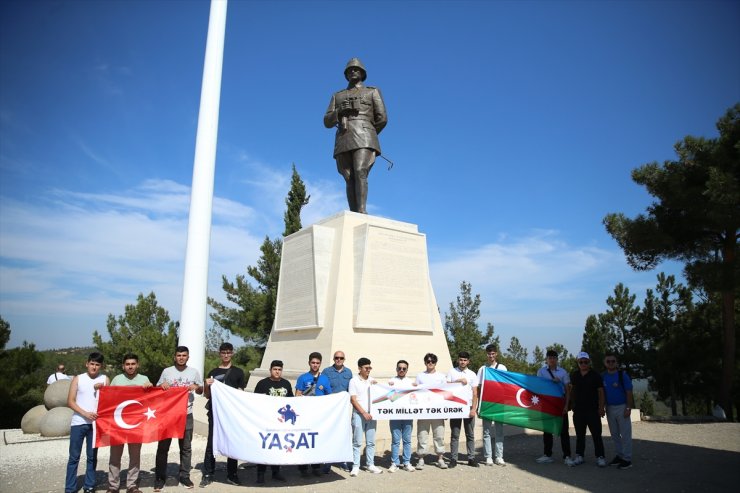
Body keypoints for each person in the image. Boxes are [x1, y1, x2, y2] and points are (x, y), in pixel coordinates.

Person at [323, 58, 388, 214]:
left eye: (356, 69)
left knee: (360, 171)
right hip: (344, 137)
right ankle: (354, 213)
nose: (352, 71)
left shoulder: (372, 91)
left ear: (362, 73)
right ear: (346, 74)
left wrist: (369, 133)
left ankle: (361, 211)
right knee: (348, 176)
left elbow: (382, 118)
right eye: (349, 70)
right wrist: (339, 112)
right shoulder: (337, 96)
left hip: (365, 136)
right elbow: (326, 121)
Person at [154, 346, 203, 491]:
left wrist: (197, 387)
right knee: (163, 448)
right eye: (179, 355)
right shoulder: (167, 371)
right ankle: (160, 477)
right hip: (168, 415)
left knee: (186, 447)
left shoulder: (194, 372)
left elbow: (200, 389)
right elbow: (157, 389)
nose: (181, 357)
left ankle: (184, 476)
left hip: (186, 414)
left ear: (188, 357)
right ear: (175, 357)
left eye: (184, 355)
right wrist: (161, 385)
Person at [200, 342, 246, 487]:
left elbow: (240, 393)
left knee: (232, 442)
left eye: (228, 352)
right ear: (219, 354)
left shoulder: (238, 372)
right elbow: (207, 395)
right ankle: (208, 473)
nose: (226, 355)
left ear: (232, 353)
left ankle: (232, 474)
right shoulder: (213, 372)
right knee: (211, 442)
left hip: (231, 413)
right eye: (223, 352)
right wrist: (206, 385)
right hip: (215, 411)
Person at [107, 353, 152, 493]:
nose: (130, 366)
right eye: (127, 364)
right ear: (123, 366)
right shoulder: (116, 379)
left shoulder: (144, 379)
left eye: (133, 364)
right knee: (115, 456)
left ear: (137, 365)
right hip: (117, 424)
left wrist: (150, 387)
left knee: (135, 455)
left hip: (136, 424)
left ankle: (132, 485)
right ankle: (113, 486)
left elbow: (152, 400)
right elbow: (107, 399)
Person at [65, 352, 109, 493]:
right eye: (92, 364)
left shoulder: (105, 379)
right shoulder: (78, 378)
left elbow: (109, 402)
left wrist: (102, 390)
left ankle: (89, 486)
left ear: (101, 366)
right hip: (78, 422)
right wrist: (85, 414)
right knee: (74, 457)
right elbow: (70, 401)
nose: (94, 367)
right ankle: (70, 488)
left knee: (92, 457)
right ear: (87, 363)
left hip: (96, 425)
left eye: (97, 365)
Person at [253, 360, 293, 484]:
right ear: (270, 370)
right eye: (275, 369)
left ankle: (276, 472)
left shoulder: (286, 384)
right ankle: (261, 473)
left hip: (281, 423)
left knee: (277, 447)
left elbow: (291, 401)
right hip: (266, 421)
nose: (277, 371)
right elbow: (255, 401)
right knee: (264, 447)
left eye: (279, 369)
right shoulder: (262, 383)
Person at [295, 352, 333, 477]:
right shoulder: (303, 377)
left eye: (317, 363)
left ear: (320, 364)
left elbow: (329, 396)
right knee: (304, 440)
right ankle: (303, 468)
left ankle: (316, 467)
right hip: (305, 414)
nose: (315, 365)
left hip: (319, 416)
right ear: (309, 363)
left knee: (316, 440)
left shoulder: (324, 379)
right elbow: (297, 394)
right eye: (313, 362)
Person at [568, 351, 606, 468]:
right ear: (578, 363)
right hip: (578, 410)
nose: (583, 364)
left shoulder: (596, 375)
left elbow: (601, 392)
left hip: (592, 410)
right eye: (581, 362)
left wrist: (601, 407)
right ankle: (579, 456)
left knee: (596, 434)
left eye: (585, 361)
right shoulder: (574, 375)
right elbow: (570, 390)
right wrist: (570, 405)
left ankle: (600, 456)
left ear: (589, 362)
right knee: (580, 435)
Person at [535, 349, 573, 465]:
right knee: (547, 430)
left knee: (563, 431)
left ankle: (567, 456)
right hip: (546, 404)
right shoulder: (541, 372)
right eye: (549, 358)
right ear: (546, 360)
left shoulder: (563, 372)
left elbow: (567, 390)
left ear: (557, 359)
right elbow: (538, 387)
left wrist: (566, 405)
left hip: (560, 403)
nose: (551, 360)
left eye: (554, 358)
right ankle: (547, 454)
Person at [348, 357, 382, 476]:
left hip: (372, 415)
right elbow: (353, 399)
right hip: (359, 414)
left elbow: (381, 393)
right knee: (357, 441)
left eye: (370, 368)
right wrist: (363, 413)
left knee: (371, 442)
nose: (368, 370)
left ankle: (370, 464)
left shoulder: (372, 380)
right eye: (366, 368)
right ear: (359, 368)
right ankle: (355, 466)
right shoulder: (353, 381)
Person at [321, 350, 353, 472]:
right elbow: (322, 388)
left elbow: (351, 389)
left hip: (344, 410)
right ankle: (327, 462)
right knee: (329, 434)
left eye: (341, 358)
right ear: (334, 359)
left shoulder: (348, 372)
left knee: (343, 434)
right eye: (336, 357)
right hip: (330, 409)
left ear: (344, 359)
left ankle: (342, 460)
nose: (339, 359)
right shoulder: (326, 372)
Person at [415, 353, 448, 470]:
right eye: (428, 361)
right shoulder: (420, 376)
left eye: (432, 361)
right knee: (422, 435)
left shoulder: (442, 376)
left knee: (439, 435)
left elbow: (446, 392)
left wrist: (446, 411)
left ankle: (440, 458)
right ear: (425, 363)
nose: (430, 363)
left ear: (435, 363)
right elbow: (415, 392)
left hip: (438, 411)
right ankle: (421, 458)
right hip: (423, 410)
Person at [447, 351, 479, 468]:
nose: (463, 362)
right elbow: (446, 388)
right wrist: (458, 380)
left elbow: (475, 393)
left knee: (470, 434)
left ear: (468, 361)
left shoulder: (472, 374)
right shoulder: (451, 372)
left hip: (469, 407)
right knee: (455, 434)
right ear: (458, 360)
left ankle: (471, 458)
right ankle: (453, 459)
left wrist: (473, 409)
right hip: (455, 407)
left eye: (465, 360)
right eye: (461, 360)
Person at [602, 352, 634, 470]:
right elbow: (602, 393)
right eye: (608, 361)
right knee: (614, 434)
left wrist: (628, 407)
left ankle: (627, 459)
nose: (610, 363)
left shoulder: (622, 375)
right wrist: (602, 407)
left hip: (622, 407)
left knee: (625, 434)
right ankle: (620, 455)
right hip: (609, 408)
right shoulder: (603, 376)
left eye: (613, 361)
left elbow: (629, 392)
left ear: (616, 363)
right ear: (605, 363)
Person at [477, 344, 507, 466]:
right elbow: (478, 387)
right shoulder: (482, 369)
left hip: (499, 403)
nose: (491, 355)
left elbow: (507, 385)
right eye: (489, 353)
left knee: (499, 431)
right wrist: (479, 403)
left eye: (493, 353)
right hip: (486, 403)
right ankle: (488, 456)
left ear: (496, 354)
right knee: (487, 431)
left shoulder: (502, 368)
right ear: (487, 354)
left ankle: (499, 456)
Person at [387, 360, 415, 472]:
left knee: (407, 440)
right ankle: (394, 463)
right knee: (395, 440)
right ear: (396, 369)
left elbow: (415, 396)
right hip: (395, 415)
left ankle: (407, 462)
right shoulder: (391, 381)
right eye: (399, 368)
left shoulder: (411, 382)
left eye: (404, 368)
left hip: (408, 414)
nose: (401, 370)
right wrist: (389, 388)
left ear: (407, 370)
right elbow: (389, 398)